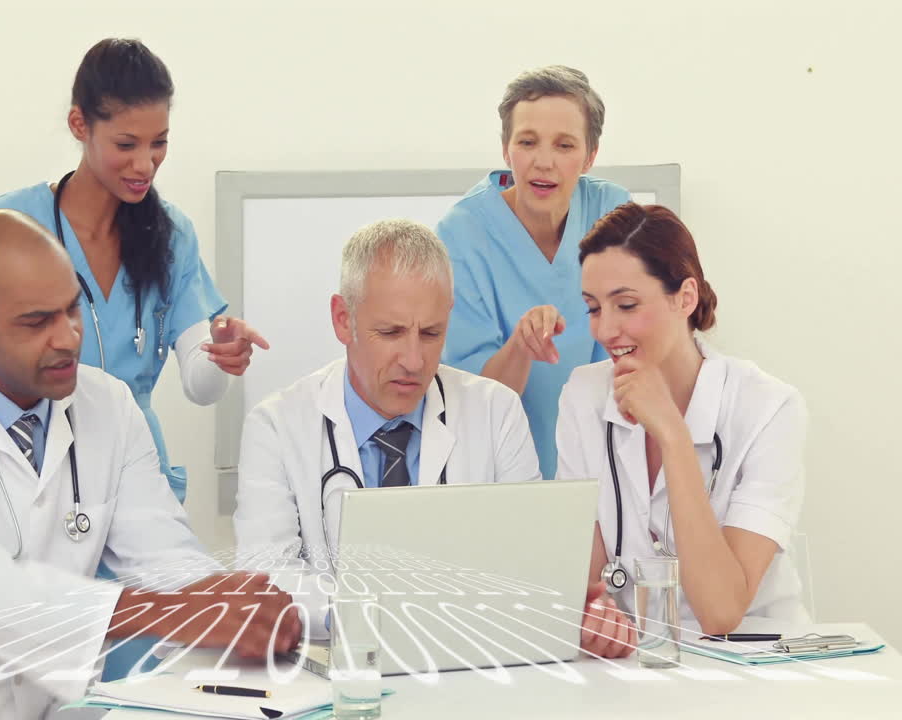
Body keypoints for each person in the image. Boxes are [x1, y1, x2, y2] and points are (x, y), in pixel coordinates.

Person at [0, 210, 299, 720]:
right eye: (37, 321)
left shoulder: (108, 404)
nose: (67, 338)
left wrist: (226, 600)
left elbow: (164, 556)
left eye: (72, 310)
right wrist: (168, 613)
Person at [233, 219, 632, 657]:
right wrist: (363, 614)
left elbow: (531, 567)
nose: (414, 360)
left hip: (470, 668)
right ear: (343, 320)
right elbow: (266, 578)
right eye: (390, 333)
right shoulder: (275, 426)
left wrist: (583, 614)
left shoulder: (496, 412)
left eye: (431, 333)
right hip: (341, 674)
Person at [0, 37, 267, 502]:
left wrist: (221, 354)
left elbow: (201, 386)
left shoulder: (171, 233)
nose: (145, 164)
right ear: (80, 124)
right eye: (126, 144)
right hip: (24, 464)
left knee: (155, 573)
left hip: (133, 470)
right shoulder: (10, 225)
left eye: (159, 144)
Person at [557, 203, 808, 634]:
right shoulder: (584, 396)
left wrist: (673, 435)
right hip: (635, 669)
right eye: (594, 308)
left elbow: (721, 612)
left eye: (627, 304)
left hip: (751, 666)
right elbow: (579, 583)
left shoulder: (769, 408)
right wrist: (592, 619)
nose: (605, 331)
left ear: (685, 298)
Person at [439, 65, 630, 479]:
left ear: (590, 156)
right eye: (528, 142)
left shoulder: (613, 213)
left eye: (564, 145)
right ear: (507, 149)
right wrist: (520, 348)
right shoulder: (463, 234)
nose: (544, 162)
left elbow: (637, 350)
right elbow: (473, 405)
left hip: (607, 466)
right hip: (502, 472)